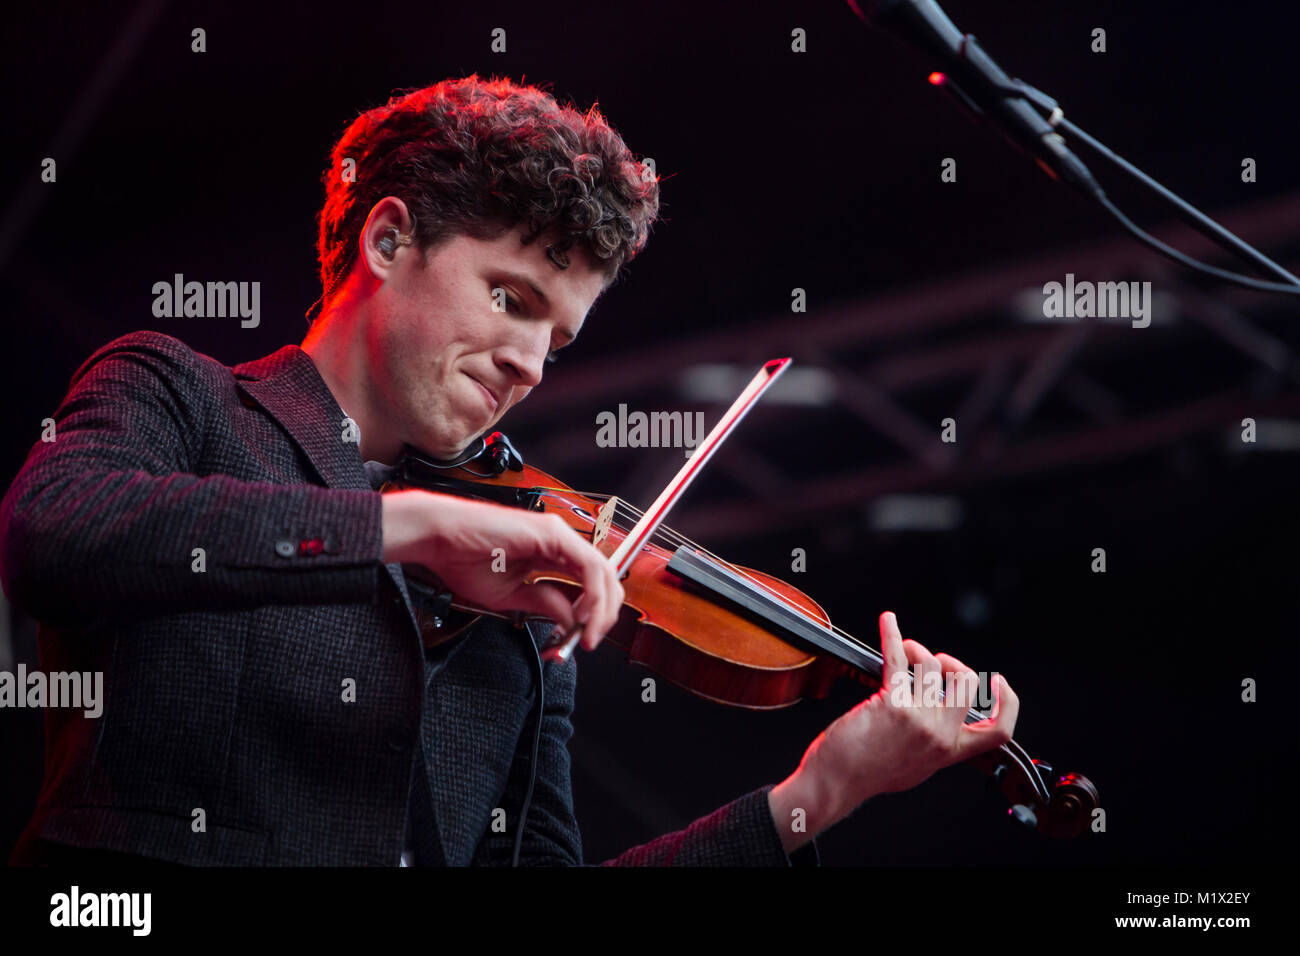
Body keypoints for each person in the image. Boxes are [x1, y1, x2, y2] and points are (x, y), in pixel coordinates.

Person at [0, 75, 1017, 866]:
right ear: (389, 237)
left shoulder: (526, 606)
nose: (532, 363)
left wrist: (817, 793)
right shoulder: (178, 394)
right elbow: (57, 529)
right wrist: (403, 524)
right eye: (511, 299)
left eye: (558, 338)